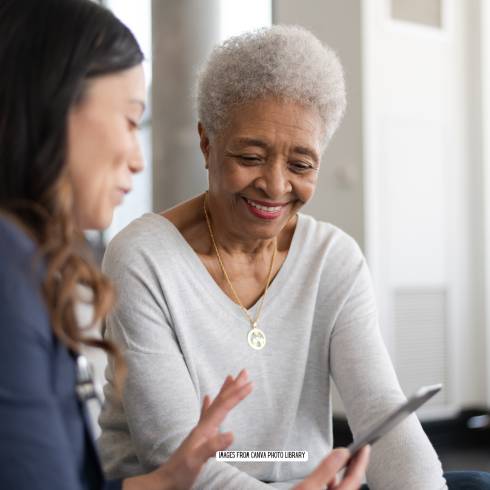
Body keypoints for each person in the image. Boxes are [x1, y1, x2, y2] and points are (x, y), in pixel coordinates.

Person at [98, 24, 490, 489]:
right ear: (207, 143)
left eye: (301, 164)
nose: (276, 185)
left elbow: (382, 414)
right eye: (250, 156)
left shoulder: (333, 259)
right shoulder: (143, 259)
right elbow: (176, 455)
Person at [0, 1, 370, 489]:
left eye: (301, 164)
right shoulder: (15, 271)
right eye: (132, 122)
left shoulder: (29, 263)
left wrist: (168, 481)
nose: (137, 159)